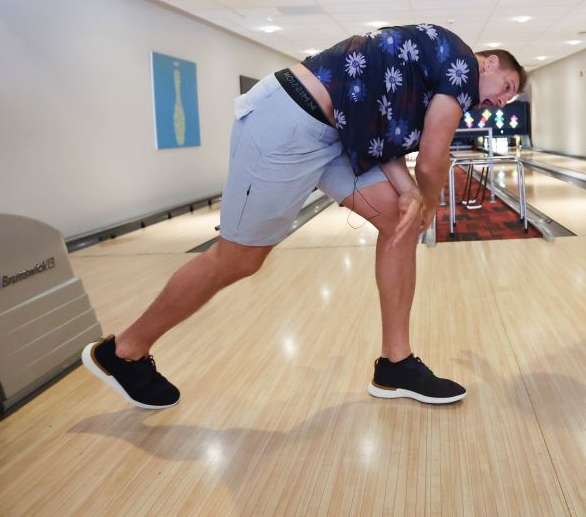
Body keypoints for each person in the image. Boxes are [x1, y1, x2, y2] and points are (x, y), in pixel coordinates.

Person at [83, 25, 526, 408]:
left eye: (510, 100)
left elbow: (380, 141)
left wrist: (409, 195)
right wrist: (427, 203)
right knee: (239, 260)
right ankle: (123, 352)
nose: (503, 103)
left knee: (398, 223)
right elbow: (432, 160)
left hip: (333, 133)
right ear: (487, 63)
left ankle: (397, 364)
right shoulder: (462, 68)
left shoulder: (425, 68)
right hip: (288, 125)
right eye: (506, 87)